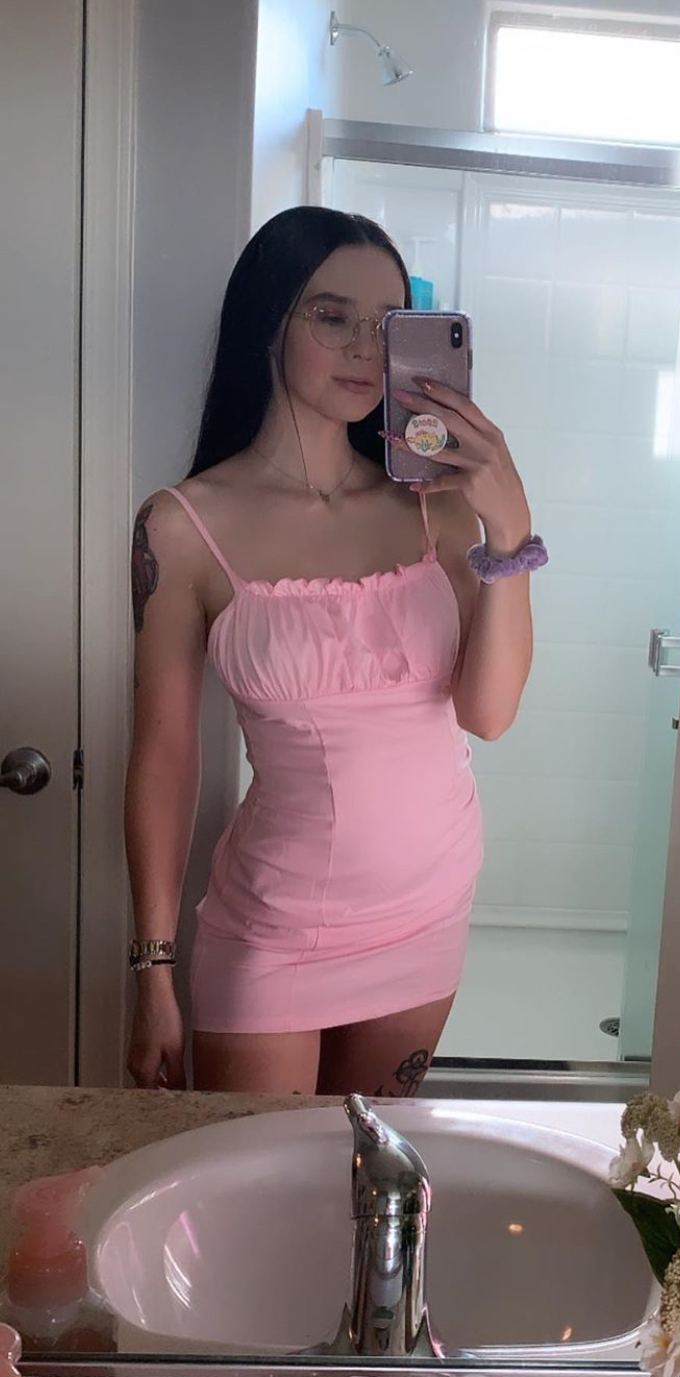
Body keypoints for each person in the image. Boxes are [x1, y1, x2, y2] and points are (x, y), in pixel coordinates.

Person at [124, 207, 539, 1096]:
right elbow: (164, 757)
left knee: (373, 1167)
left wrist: (510, 530)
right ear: (268, 322)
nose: (364, 347)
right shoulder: (182, 526)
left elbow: (489, 713)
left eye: (387, 324)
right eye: (331, 315)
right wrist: (152, 969)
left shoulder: (434, 505)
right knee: (260, 1177)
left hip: (428, 911)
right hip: (274, 928)